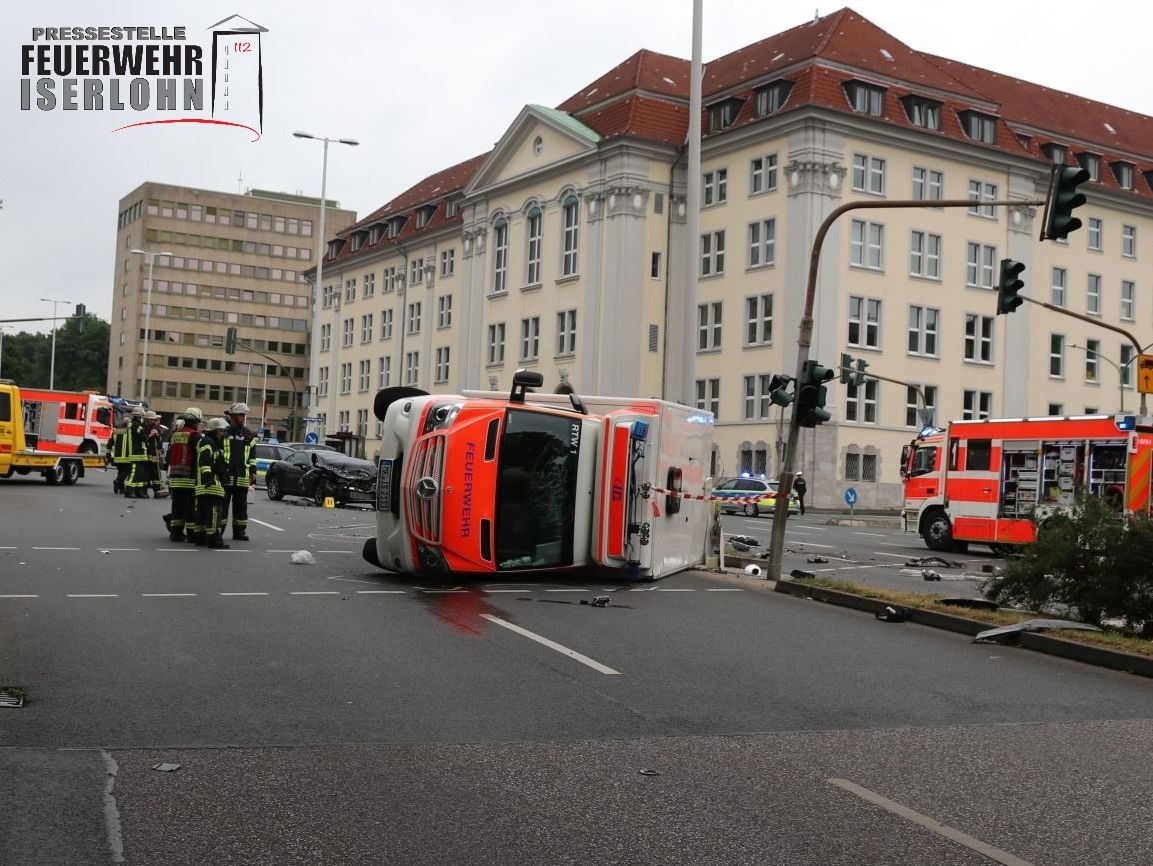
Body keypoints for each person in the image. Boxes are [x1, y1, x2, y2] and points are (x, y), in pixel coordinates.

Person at [163, 408, 202, 543]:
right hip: (189, 478)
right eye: (197, 422)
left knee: (177, 508)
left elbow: (170, 455)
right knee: (190, 509)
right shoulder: (195, 436)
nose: (198, 425)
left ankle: (175, 534)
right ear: (193, 422)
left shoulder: (175, 435)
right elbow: (198, 457)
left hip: (175, 478)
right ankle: (192, 535)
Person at [220, 402, 257, 541]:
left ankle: (239, 532)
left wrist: (253, 472)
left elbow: (252, 456)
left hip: (242, 477)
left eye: (244, 415)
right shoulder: (224, 432)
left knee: (241, 508)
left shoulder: (248, 434)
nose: (243, 417)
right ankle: (219, 531)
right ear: (233, 416)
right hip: (226, 476)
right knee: (222, 507)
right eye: (241, 415)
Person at [195, 417, 230, 549]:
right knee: (215, 512)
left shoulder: (212, 443)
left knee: (202, 513)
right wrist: (208, 477)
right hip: (210, 485)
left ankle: (200, 538)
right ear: (215, 431)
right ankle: (213, 540)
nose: (223, 434)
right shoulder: (208, 442)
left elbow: (218, 465)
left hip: (205, 485)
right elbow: (204, 462)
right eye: (221, 431)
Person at [123, 406, 149, 498]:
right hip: (136, 453)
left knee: (140, 473)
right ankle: (129, 491)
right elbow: (144, 437)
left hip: (139, 453)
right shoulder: (136, 425)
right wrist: (150, 435)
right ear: (139, 417)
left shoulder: (132, 424)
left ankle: (138, 491)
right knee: (134, 473)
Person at [109, 417, 132, 494]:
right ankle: (117, 481)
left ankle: (121, 489)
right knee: (126, 472)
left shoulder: (116, 431)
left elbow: (110, 444)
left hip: (117, 457)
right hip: (127, 457)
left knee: (121, 471)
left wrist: (108, 455)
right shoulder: (130, 432)